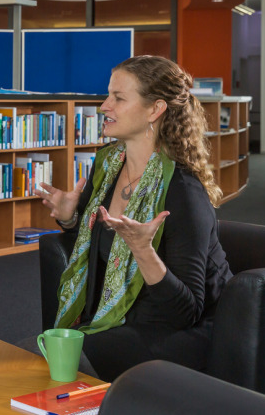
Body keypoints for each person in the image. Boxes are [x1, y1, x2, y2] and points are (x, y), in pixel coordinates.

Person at [37, 56, 233, 382]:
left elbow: (184, 313)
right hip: (122, 321)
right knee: (40, 354)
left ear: (154, 110)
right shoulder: (109, 166)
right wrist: (72, 219)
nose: (103, 106)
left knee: (54, 361)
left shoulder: (183, 191)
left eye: (118, 98)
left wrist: (143, 250)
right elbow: (94, 257)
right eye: (107, 95)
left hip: (182, 333)